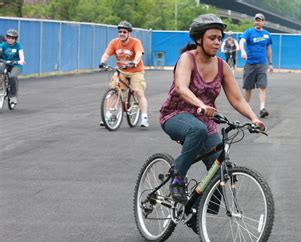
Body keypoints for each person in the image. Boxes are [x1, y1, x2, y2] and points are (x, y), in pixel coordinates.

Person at [159, 14, 265, 203]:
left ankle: (196, 216)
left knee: (220, 172)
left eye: (219, 38)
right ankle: (178, 179)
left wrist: (254, 118)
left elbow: (237, 98)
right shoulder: (187, 58)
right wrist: (201, 105)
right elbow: (181, 88)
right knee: (196, 130)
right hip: (176, 114)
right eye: (212, 38)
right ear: (199, 39)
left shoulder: (222, 66)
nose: (217, 42)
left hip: (205, 121)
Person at [99, 21, 150, 128]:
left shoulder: (135, 42)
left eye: (124, 32)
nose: (121, 33)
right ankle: (108, 115)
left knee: (138, 92)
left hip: (136, 71)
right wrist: (102, 63)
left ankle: (144, 117)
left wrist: (135, 62)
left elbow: (139, 54)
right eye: (120, 31)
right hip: (121, 70)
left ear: (129, 33)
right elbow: (106, 54)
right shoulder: (114, 42)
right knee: (114, 90)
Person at [239, 13, 273, 118]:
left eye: (260, 20)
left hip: (262, 64)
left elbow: (268, 49)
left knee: (262, 86)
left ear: (263, 22)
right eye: (256, 20)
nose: (258, 21)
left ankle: (262, 108)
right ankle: (245, 108)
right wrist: (243, 51)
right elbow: (242, 41)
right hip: (250, 64)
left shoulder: (267, 34)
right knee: (248, 88)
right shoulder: (249, 32)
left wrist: (270, 63)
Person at [0, 29, 25, 106]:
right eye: (9, 37)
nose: (10, 39)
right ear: (6, 38)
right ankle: (1, 84)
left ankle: (13, 96)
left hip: (16, 65)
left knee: (13, 76)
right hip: (5, 63)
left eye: (13, 38)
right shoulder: (3, 45)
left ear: (15, 39)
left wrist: (21, 60)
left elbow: (21, 55)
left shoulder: (18, 46)